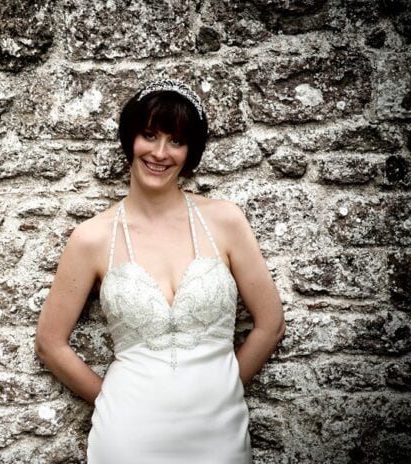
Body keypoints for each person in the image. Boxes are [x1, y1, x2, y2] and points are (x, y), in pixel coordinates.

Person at [34, 78, 286, 463]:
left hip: (219, 432)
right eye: (149, 135)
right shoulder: (92, 238)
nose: (160, 152)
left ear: (190, 152)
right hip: (128, 434)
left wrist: (226, 390)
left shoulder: (225, 221)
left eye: (176, 141)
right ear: (130, 140)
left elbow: (270, 324)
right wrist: (111, 399)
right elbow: (50, 343)